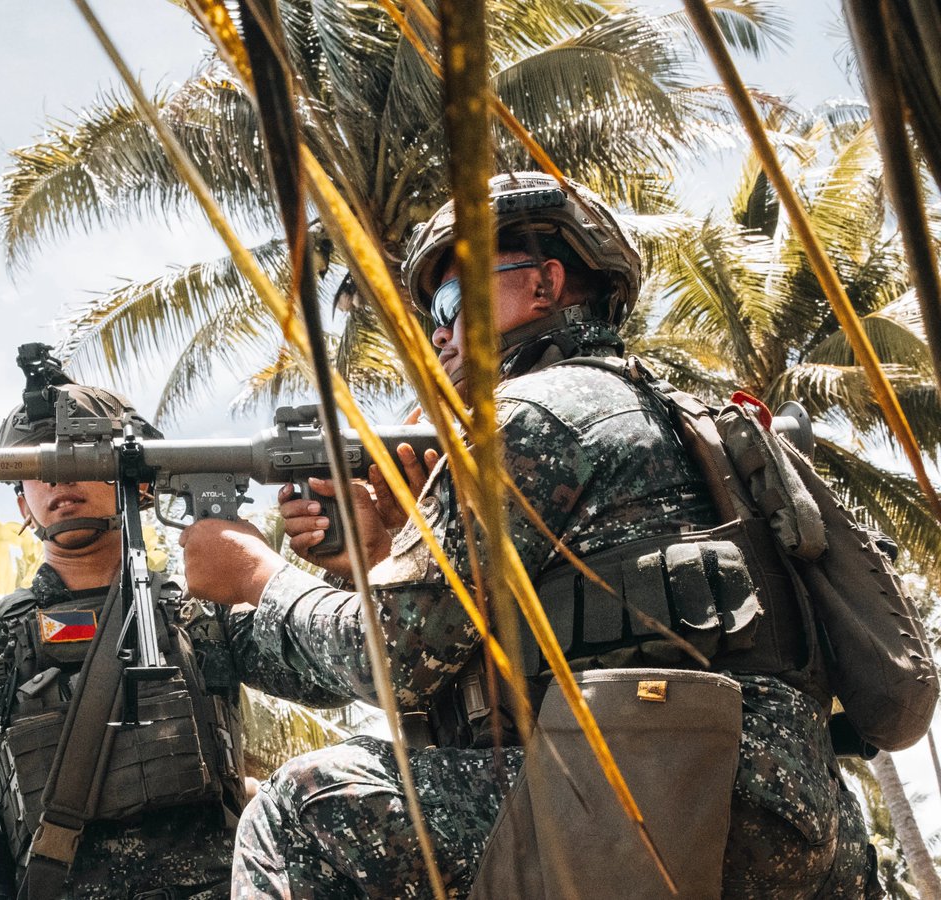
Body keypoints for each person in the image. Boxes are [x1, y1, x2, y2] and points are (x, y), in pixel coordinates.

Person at [177, 172, 878, 897]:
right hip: (797, 821)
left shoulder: (532, 414)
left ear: (544, 285)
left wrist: (258, 575)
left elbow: (388, 661)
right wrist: (380, 557)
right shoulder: (680, 415)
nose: (439, 332)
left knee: (301, 811)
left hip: (665, 802)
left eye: (451, 301)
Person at [0, 368, 346, 900]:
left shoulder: (205, 613)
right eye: (37, 465)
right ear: (21, 503)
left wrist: (347, 562)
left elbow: (338, 676)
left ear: (137, 476)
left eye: (80, 454)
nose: (59, 477)